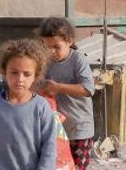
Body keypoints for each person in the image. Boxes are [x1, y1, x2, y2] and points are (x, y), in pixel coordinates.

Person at [0, 39, 57, 170]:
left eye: (27, 74)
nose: (20, 79)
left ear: (36, 75)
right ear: (4, 72)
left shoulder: (41, 107)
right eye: (14, 72)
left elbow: (49, 148)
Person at [36, 18, 95, 170]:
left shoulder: (78, 60)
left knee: (76, 166)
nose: (51, 52)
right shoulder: (47, 62)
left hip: (80, 128)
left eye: (56, 47)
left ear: (69, 41)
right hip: (57, 130)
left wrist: (58, 87)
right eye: (47, 47)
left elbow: (88, 89)